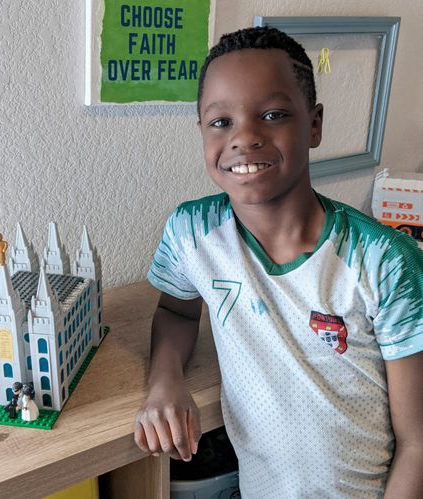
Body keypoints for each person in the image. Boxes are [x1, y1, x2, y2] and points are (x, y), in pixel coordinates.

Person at [134, 26, 423, 498]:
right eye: (220, 122)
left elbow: (418, 443)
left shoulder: (384, 261)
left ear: (314, 124)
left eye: (272, 114)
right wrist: (164, 382)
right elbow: (175, 311)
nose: (244, 137)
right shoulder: (193, 233)